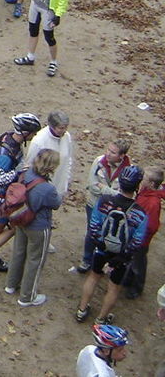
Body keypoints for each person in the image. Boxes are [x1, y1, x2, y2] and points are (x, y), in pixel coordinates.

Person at [76, 166, 149, 326]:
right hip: (121, 256)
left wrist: (99, 244)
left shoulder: (104, 201)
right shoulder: (140, 213)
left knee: (93, 277)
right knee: (114, 287)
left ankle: (81, 310)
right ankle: (101, 319)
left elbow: (93, 226)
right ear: (137, 185)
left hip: (102, 249)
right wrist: (121, 257)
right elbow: (137, 241)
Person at [0, 113, 42, 280]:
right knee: (6, 227)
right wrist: (17, 172)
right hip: (1, 197)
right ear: (25, 132)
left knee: (1, 227)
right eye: (33, 132)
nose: (34, 135)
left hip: (5, 195)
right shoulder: (6, 153)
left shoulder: (9, 138)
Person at [4, 149, 63, 307]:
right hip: (39, 226)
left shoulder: (26, 174)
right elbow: (56, 203)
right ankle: (27, 296)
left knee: (18, 252)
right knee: (35, 260)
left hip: (22, 220)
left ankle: (11, 284)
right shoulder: (47, 189)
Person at [79, 139, 133, 274]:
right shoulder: (99, 161)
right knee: (92, 232)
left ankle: (106, 262)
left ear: (122, 156)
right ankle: (87, 259)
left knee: (111, 235)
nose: (107, 154)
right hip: (94, 205)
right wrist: (111, 192)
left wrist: (102, 188)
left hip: (114, 210)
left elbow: (124, 194)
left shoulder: (128, 169)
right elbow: (92, 185)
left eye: (113, 152)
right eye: (108, 149)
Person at [125, 168, 165, 299]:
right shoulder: (145, 193)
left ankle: (137, 287)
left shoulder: (152, 202)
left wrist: (141, 237)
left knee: (138, 263)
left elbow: (152, 226)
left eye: (145, 178)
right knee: (133, 259)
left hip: (141, 239)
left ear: (152, 184)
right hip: (136, 236)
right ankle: (129, 280)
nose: (142, 179)